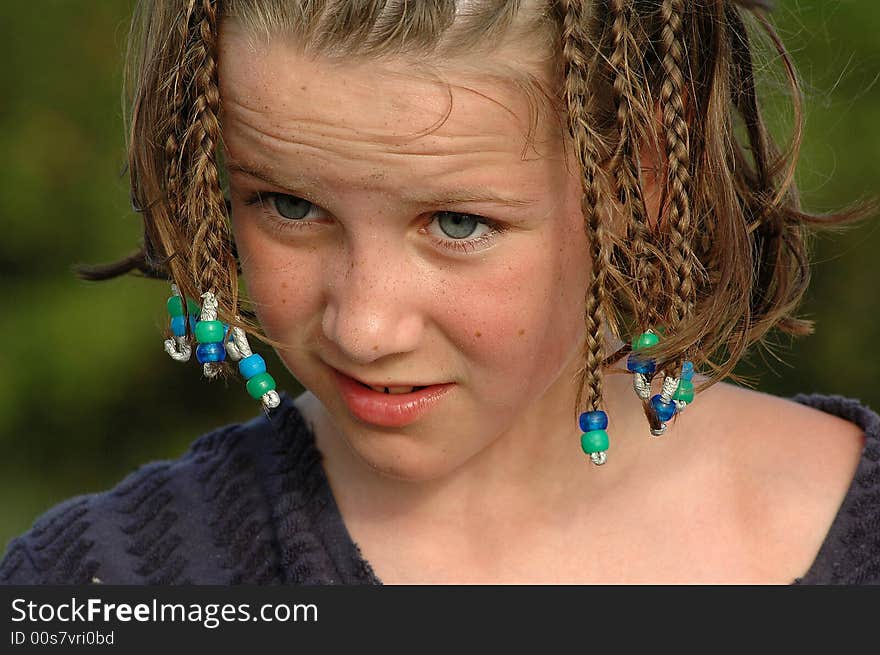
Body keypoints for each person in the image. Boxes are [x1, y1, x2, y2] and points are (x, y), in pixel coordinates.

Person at [2, 0, 879, 585]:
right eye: (290, 205)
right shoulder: (99, 582)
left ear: (639, 180)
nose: (366, 324)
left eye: (457, 224)